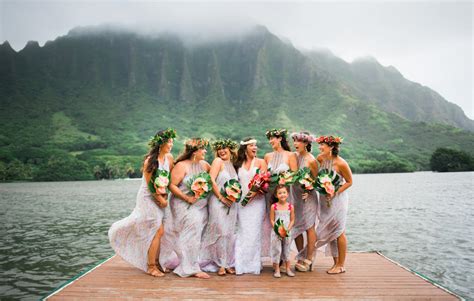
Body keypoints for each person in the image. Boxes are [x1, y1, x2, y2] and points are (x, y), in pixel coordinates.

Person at [108, 128, 176, 277]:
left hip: (162, 197)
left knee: (162, 231)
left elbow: (170, 179)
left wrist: (167, 197)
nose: (171, 144)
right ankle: (151, 266)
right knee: (156, 230)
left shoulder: (169, 158)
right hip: (148, 198)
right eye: (168, 142)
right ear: (160, 143)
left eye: (172, 141)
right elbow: (151, 185)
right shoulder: (150, 161)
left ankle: (158, 262)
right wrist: (160, 200)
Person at [168, 137, 211, 278]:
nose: (205, 151)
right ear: (194, 152)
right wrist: (187, 198)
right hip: (183, 203)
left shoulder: (205, 165)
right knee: (191, 233)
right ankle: (190, 268)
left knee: (197, 233)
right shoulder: (181, 165)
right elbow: (172, 185)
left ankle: (191, 261)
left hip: (201, 205)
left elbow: (215, 179)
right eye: (202, 149)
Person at [200, 139, 239, 276]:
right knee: (221, 231)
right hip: (217, 202)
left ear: (230, 149)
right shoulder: (218, 162)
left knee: (228, 233)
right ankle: (221, 264)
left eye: (224, 148)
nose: (222, 151)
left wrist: (233, 197)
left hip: (231, 204)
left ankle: (227, 263)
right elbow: (211, 179)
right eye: (219, 149)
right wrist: (221, 198)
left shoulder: (232, 165)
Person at [315, 135, 353, 274]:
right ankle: (335, 263)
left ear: (331, 147)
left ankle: (341, 264)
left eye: (322, 145)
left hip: (338, 200)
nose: (320, 147)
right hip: (324, 200)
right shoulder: (320, 159)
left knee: (339, 230)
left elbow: (349, 181)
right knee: (331, 230)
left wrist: (334, 192)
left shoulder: (341, 163)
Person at [234, 137, 268, 275]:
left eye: (256, 145)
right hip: (241, 202)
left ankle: (254, 264)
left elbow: (263, 182)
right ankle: (240, 263)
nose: (255, 147)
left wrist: (249, 197)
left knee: (254, 232)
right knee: (242, 231)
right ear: (245, 148)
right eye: (252, 145)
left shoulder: (261, 162)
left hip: (257, 202)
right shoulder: (237, 163)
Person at [291, 131, 319, 272]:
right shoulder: (293, 157)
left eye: (298, 141)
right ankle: (301, 255)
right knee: (296, 227)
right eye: (294, 141)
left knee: (309, 226)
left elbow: (316, 181)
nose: (295, 144)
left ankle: (309, 258)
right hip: (295, 196)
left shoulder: (312, 161)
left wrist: (308, 189)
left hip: (308, 197)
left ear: (306, 143)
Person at [270, 185, 295, 278]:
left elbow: (292, 220)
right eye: (280, 193)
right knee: (277, 249)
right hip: (276, 232)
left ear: (287, 194)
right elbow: (272, 220)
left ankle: (288, 268)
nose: (282, 195)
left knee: (287, 249)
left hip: (287, 231)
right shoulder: (274, 206)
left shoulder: (290, 207)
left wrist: (287, 230)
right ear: (276, 195)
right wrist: (277, 229)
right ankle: (277, 269)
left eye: (284, 192)